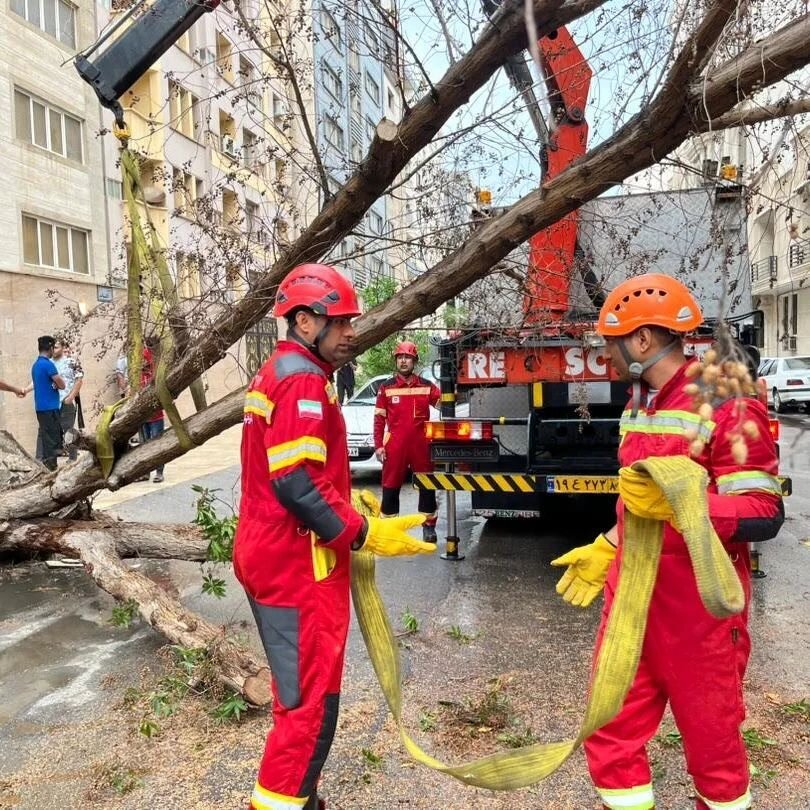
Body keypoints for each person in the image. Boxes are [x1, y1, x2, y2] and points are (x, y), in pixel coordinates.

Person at [550, 274, 784, 810]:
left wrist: (686, 508)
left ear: (641, 341)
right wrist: (608, 544)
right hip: (633, 602)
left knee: (713, 749)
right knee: (608, 734)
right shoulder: (641, 404)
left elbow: (763, 511)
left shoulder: (727, 399)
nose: (604, 355)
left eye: (611, 342)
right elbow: (636, 504)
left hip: (698, 616)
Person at [232, 263, 436, 810]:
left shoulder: (282, 370)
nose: (352, 333)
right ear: (304, 321)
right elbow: (295, 482)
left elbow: (300, 473)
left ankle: (306, 800)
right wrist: (362, 530)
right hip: (297, 563)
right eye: (341, 322)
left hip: (276, 551)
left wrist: (345, 502)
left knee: (306, 695)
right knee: (308, 708)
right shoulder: (301, 380)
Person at [373, 341, 441, 542]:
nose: (403, 361)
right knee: (391, 486)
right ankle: (390, 530)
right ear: (396, 360)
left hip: (422, 444)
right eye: (400, 357)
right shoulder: (386, 388)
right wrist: (378, 446)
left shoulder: (427, 386)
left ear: (414, 361)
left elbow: (446, 404)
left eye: (408, 358)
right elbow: (379, 420)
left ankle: (428, 527)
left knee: (426, 485)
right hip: (395, 445)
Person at [26, 336, 65, 471]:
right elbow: (61, 384)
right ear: (50, 348)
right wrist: (57, 383)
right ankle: (51, 467)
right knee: (52, 439)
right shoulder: (48, 364)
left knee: (47, 436)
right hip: (50, 407)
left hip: (41, 407)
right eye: (53, 348)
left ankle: (49, 464)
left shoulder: (36, 365)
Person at [53, 338, 84, 461]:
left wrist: (71, 397)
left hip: (66, 400)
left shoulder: (72, 362)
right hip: (53, 402)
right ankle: (54, 456)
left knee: (69, 431)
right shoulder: (50, 362)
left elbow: (79, 379)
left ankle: (73, 458)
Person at [139, 340, 165, 483]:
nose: (142, 363)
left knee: (156, 444)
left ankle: (159, 472)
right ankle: (145, 473)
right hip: (142, 416)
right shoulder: (138, 376)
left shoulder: (155, 373)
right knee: (143, 445)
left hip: (156, 416)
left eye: (144, 360)